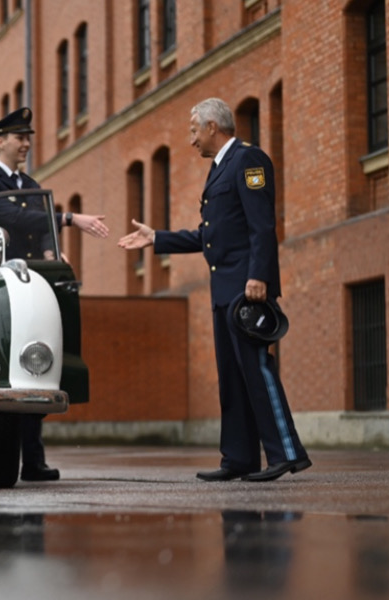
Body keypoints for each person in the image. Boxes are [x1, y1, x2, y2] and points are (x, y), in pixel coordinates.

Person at [118, 97, 311, 482]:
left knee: (256, 370)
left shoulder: (248, 160)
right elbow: (210, 235)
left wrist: (260, 277)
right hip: (224, 290)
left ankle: (286, 453)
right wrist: (158, 238)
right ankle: (238, 458)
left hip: (246, 289)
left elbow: (262, 226)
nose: (191, 140)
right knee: (232, 376)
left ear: (212, 127)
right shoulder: (220, 169)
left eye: (193, 130)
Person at [0, 107, 109, 482]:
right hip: (2, 285)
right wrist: (69, 219)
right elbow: (11, 219)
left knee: (36, 363)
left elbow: (41, 227)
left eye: (28, 138)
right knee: (12, 365)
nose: (26, 144)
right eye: (20, 138)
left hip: (33, 282)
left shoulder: (29, 183)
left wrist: (53, 250)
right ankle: (11, 458)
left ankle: (33, 460)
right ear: (0, 141)